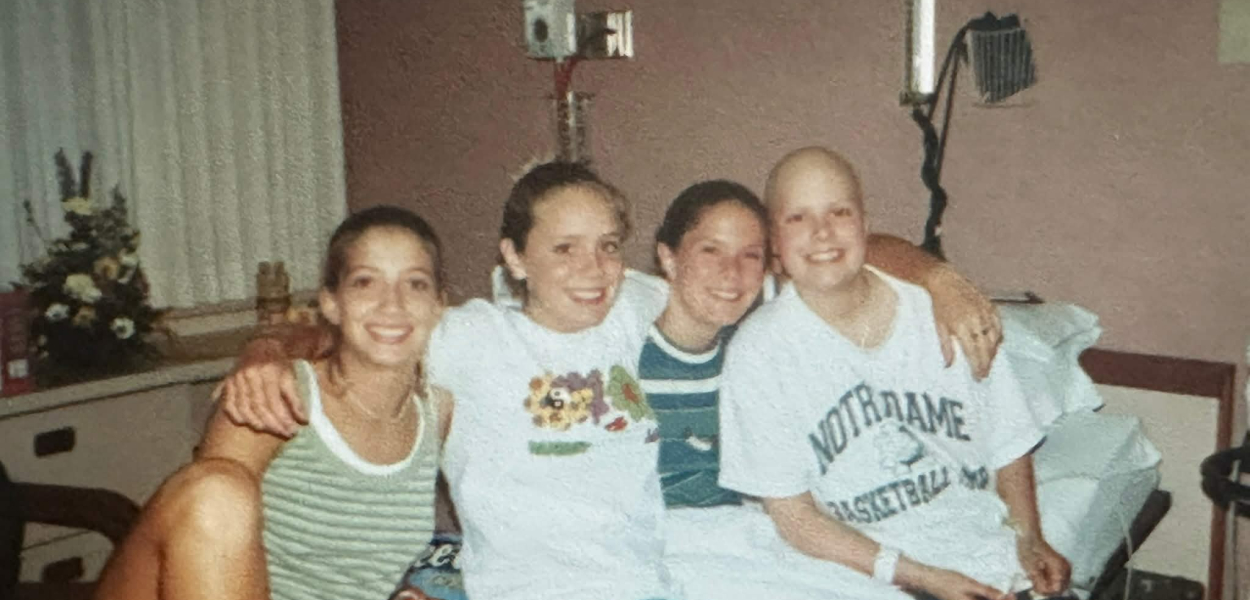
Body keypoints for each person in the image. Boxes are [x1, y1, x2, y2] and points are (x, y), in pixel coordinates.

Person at [218, 162, 1003, 600]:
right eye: (563, 250)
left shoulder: (635, 307)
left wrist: (941, 278)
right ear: (514, 259)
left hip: (653, 582)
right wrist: (264, 348)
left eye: (604, 246)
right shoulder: (470, 336)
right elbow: (364, 320)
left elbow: (828, 252)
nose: (590, 271)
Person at [717, 147, 1071, 600]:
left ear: (865, 227)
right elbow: (795, 519)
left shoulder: (946, 316)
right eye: (798, 218)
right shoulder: (760, 352)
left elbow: (1008, 440)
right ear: (775, 246)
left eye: (839, 212)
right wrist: (922, 577)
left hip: (980, 557)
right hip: (854, 573)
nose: (822, 232)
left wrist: (1028, 538)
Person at [92, 206, 450, 600]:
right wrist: (267, 346)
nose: (392, 303)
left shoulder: (439, 414)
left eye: (415, 284)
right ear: (331, 303)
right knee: (216, 492)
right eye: (365, 282)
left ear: (440, 306)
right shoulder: (277, 392)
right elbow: (203, 537)